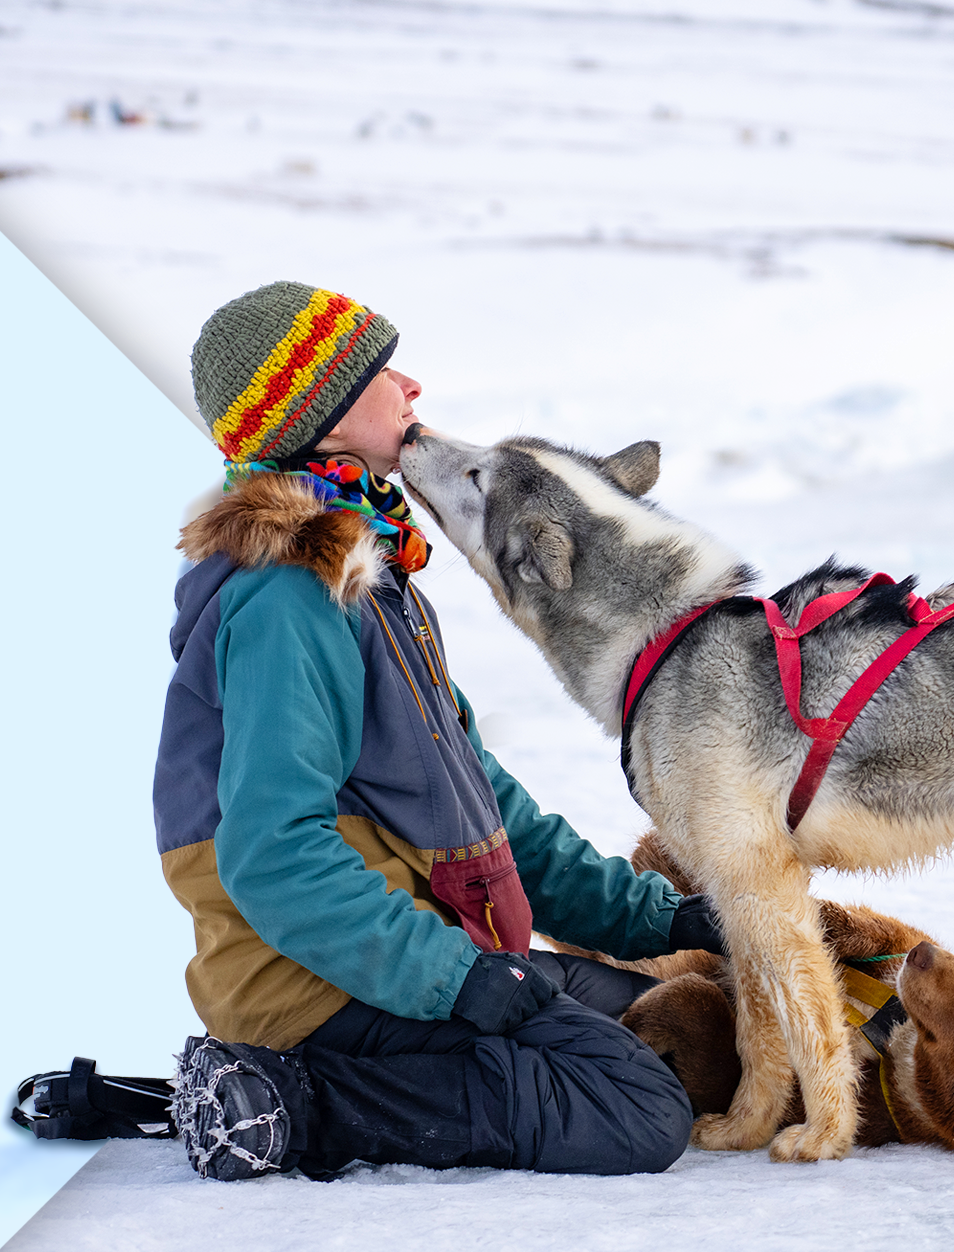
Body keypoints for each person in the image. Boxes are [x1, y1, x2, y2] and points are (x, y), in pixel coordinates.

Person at [155, 281, 723, 1182]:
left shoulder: (369, 578)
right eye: (379, 373)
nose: (410, 385)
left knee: (684, 1023)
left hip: (411, 947)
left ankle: (273, 1086)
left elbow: (480, 801)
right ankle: (289, 1102)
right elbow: (272, 855)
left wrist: (662, 917)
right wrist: (460, 980)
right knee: (639, 1109)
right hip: (314, 985)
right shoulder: (289, 600)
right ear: (322, 420)